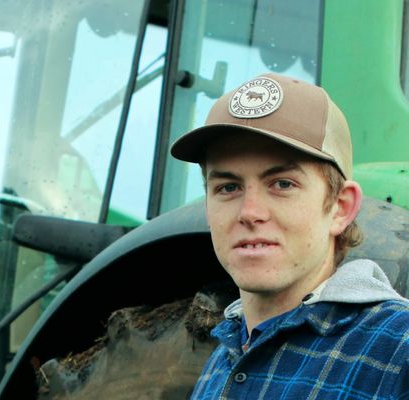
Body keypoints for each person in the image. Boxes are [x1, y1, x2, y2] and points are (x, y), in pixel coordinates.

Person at [170, 73, 409, 399]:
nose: (249, 212)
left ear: (340, 207)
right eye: (228, 187)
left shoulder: (398, 352)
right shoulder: (220, 362)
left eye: (282, 184)